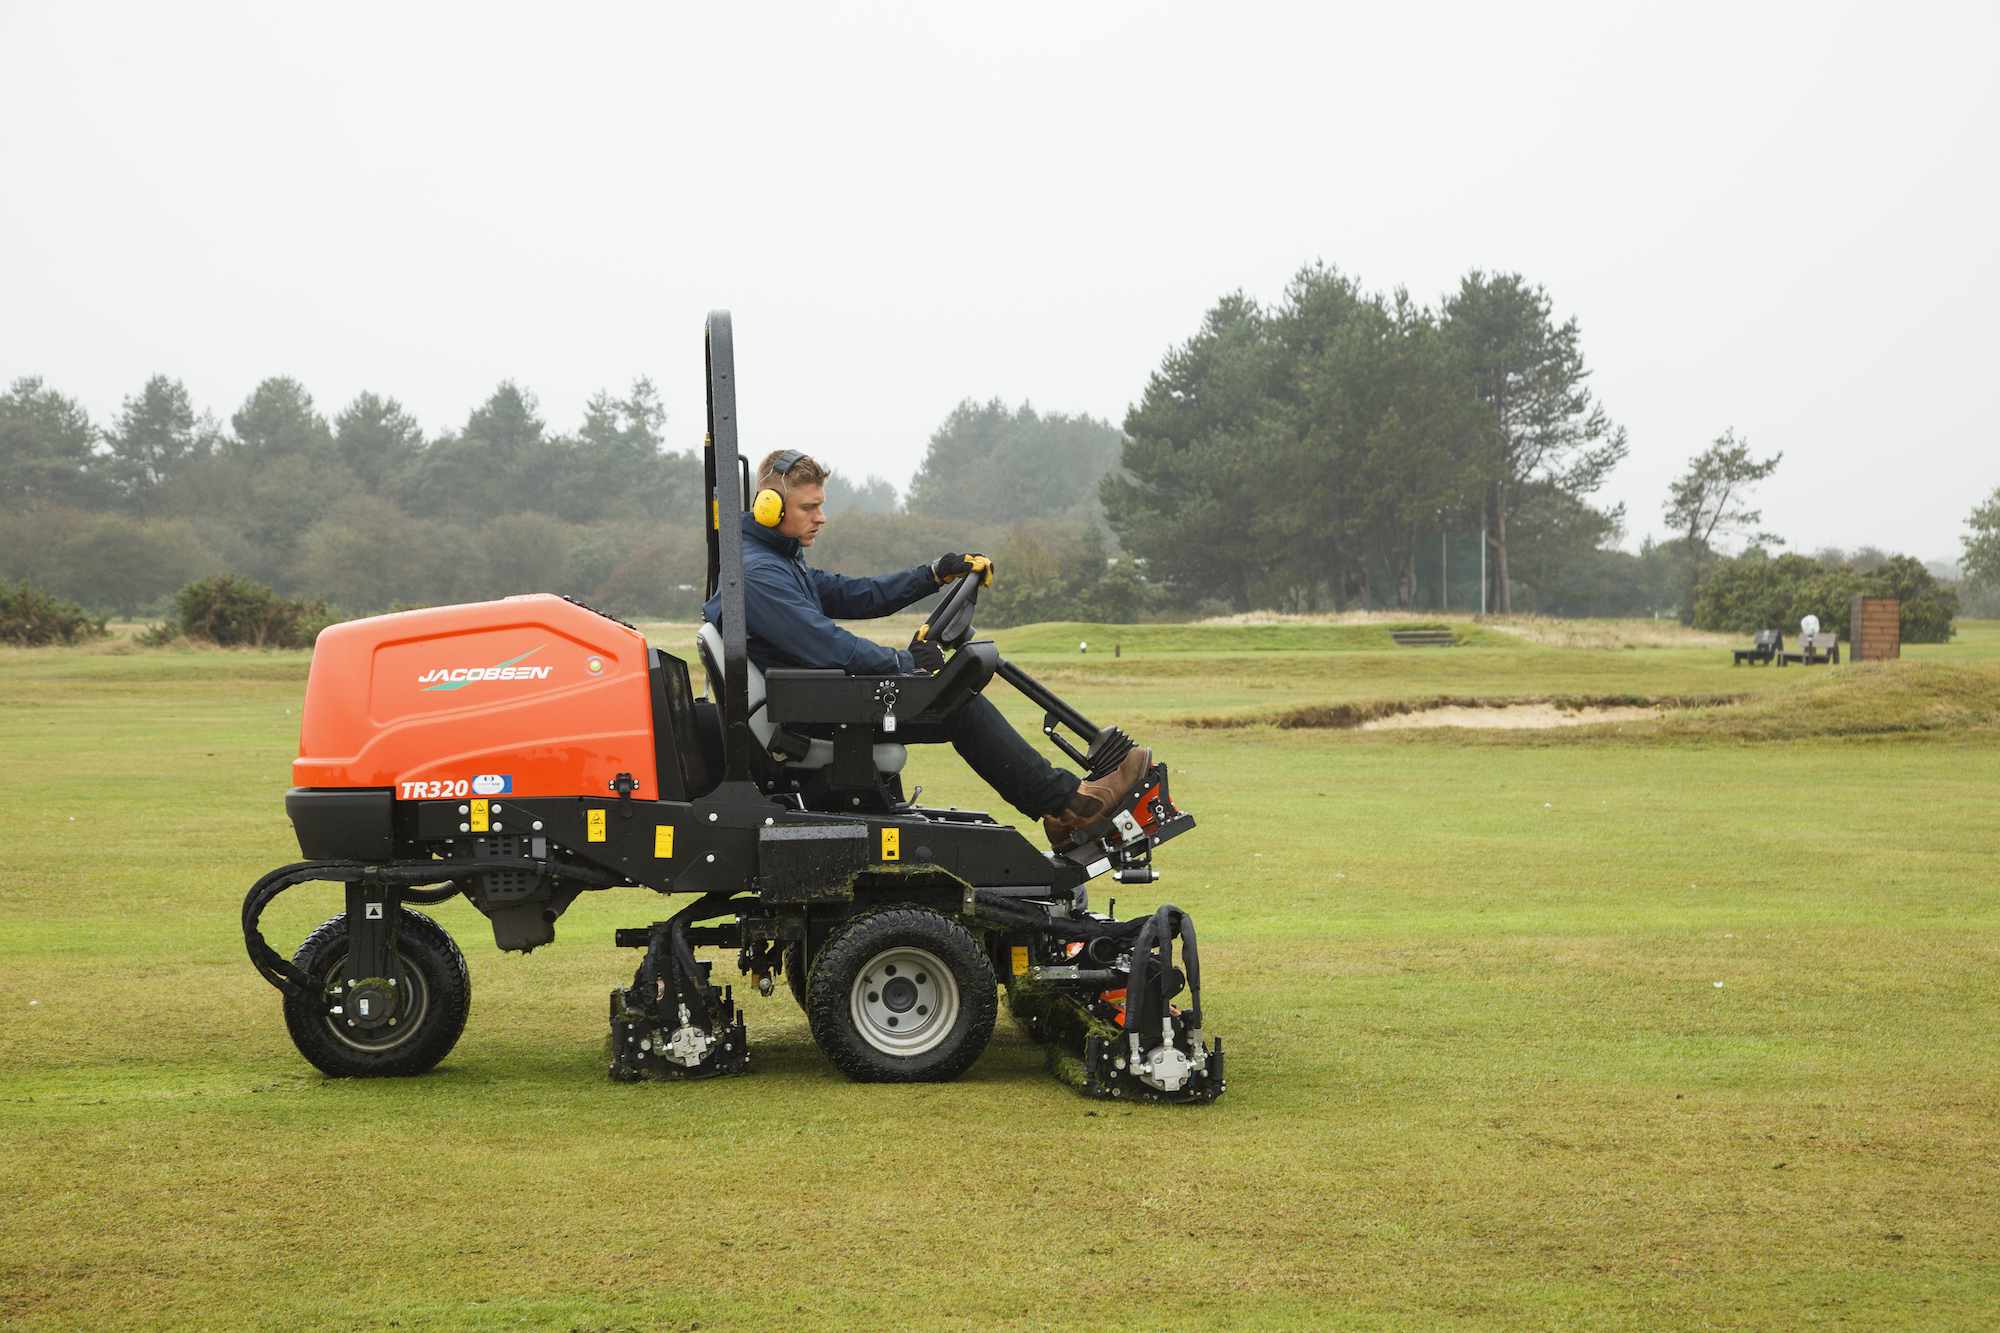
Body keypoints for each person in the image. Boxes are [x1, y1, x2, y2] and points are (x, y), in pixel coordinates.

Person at [701, 449, 1151, 845]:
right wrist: (904, 661)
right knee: (957, 705)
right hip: (807, 715)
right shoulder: (759, 576)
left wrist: (934, 573)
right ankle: (1069, 806)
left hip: (811, 701)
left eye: (821, 506)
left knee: (951, 699)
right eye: (810, 507)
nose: (822, 517)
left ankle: (1061, 808)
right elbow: (826, 646)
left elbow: (858, 594)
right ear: (768, 508)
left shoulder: (777, 564)